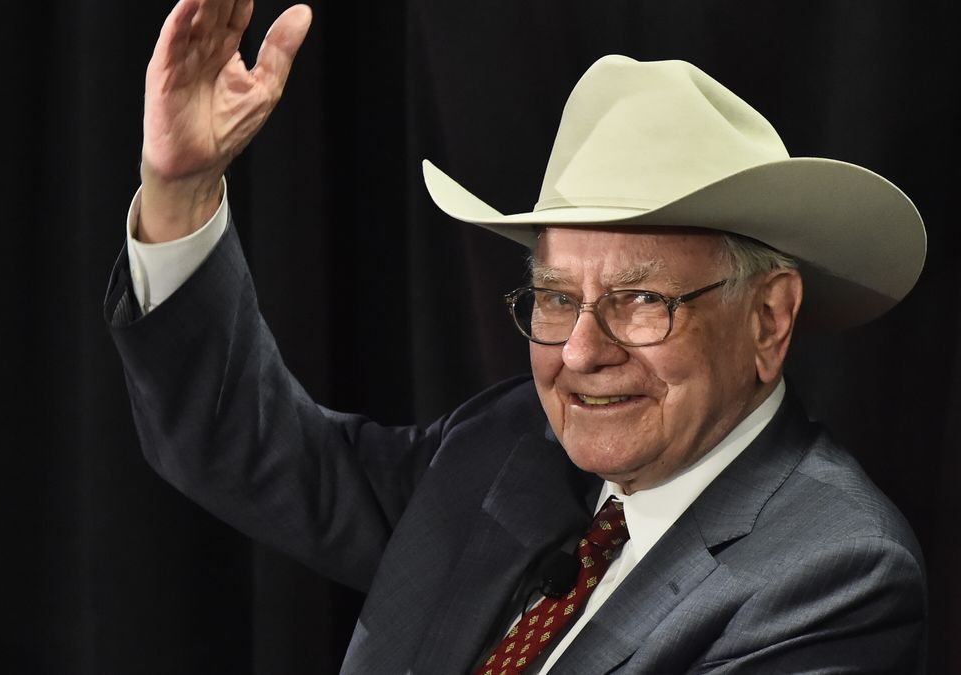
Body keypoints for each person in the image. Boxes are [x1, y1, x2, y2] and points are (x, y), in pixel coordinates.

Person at [104, 0, 929, 672]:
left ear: (769, 318)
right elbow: (249, 451)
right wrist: (180, 188)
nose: (579, 352)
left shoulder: (837, 574)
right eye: (556, 296)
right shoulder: (505, 444)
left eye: (640, 298)